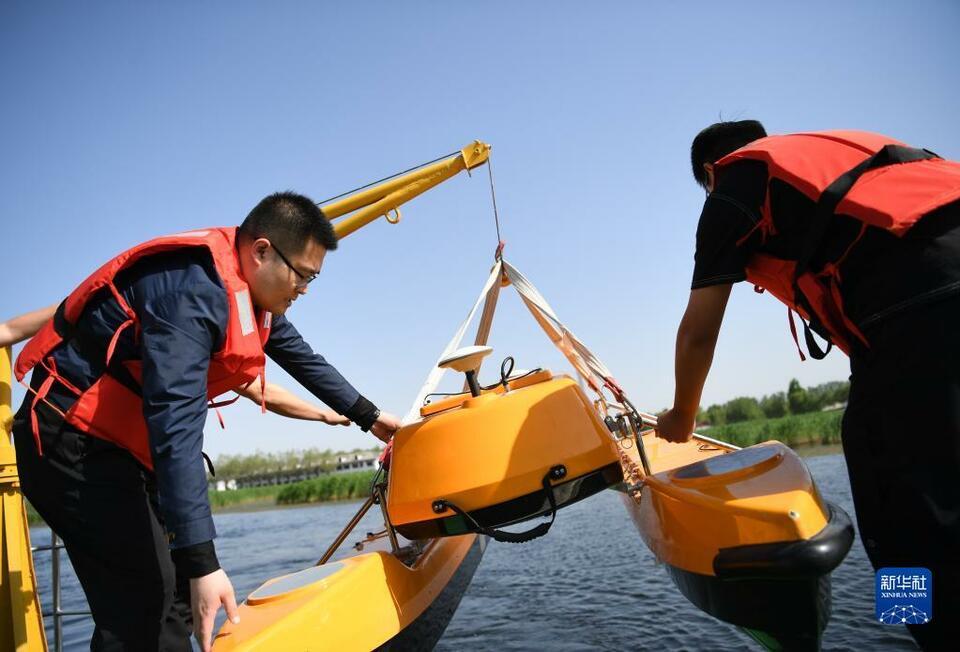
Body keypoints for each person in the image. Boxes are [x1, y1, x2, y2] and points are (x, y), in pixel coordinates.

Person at [10, 192, 402, 651]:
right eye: (304, 276)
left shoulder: (250, 296)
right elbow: (175, 424)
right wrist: (203, 560)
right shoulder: (189, 295)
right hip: (68, 444)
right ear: (261, 251)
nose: (305, 290)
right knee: (143, 603)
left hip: (122, 452)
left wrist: (370, 417)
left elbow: (304, 360)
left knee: (174, 595)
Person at [656, 121, 960, 650]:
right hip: (926, 296)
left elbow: (698, 331)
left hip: (918, 306)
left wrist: (682, 418)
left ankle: (926, 633)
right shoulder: (833, 154)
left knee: (896, 510)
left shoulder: (732, 186)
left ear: (710, 172)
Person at [1, 303, 354, 426]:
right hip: (80, 429)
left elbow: (260, 391)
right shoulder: (142, 295)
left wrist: (325, 414)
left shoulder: (211, 331)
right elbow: (17, 327)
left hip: (147, 447)